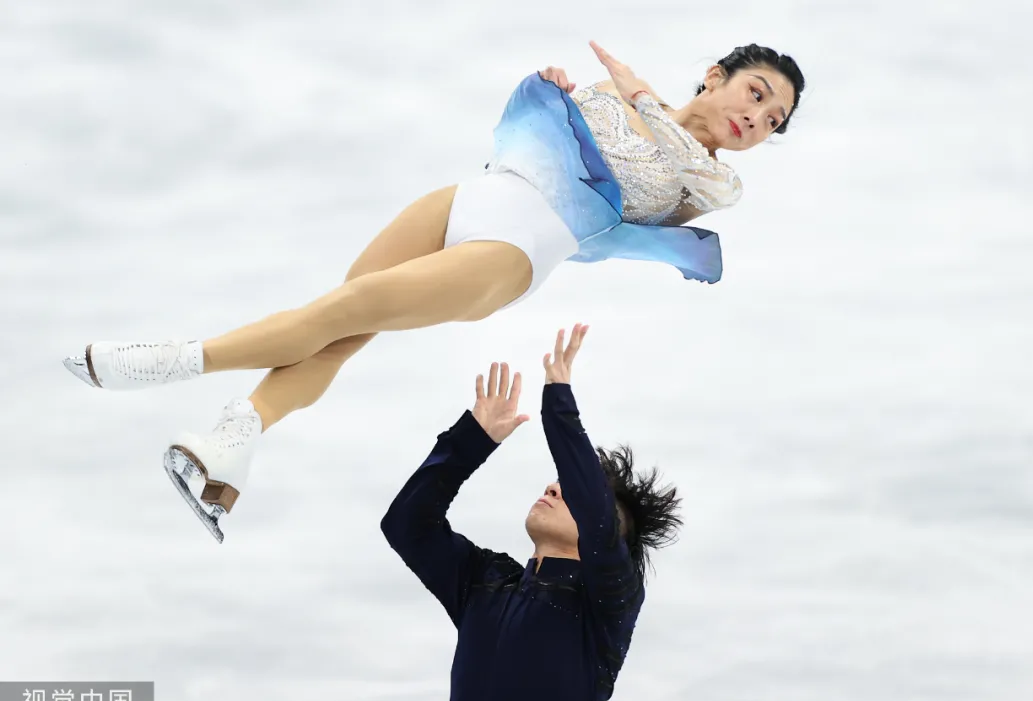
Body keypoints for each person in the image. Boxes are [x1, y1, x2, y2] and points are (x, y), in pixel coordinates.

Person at [61, 41, 804, 537]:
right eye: (756, 92)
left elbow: (671, 151)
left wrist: (639, 91)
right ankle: (231, 445)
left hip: (514, 251)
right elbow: (556, 132)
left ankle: (169, 361)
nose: (756, 118)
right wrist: (557, 93)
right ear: (716, 74)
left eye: (773, 120)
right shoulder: (613, 89)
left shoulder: (714, 184)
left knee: (341, 311)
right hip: (472, 197)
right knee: (341, 330)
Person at [381, 324, 683, 701]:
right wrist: (471, 441)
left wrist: (558, 403)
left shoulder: (608, 603)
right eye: (557, 482)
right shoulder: (484, 582)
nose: (554, 488)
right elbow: (406, 525)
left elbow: (595, 513)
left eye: (570, 490)